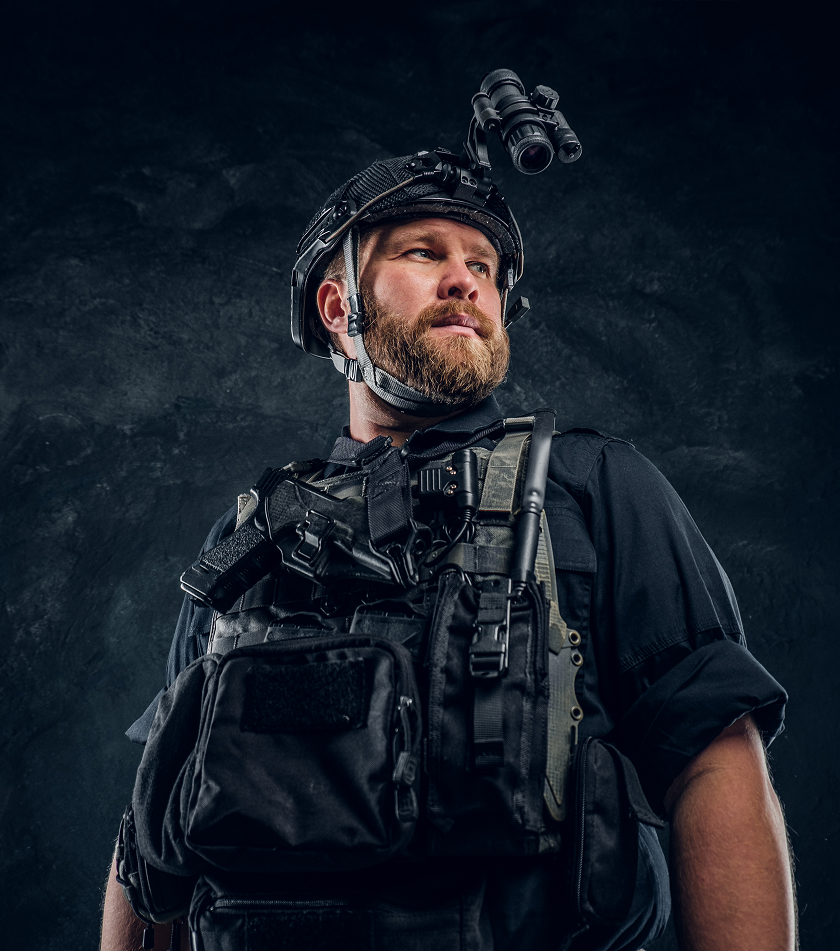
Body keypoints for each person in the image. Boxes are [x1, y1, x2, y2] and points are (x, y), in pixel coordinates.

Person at [101, 149, 796, 951]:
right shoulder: (248, 543)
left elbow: (713, 760)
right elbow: (154, 817)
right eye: (423, 252)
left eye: (484, 266)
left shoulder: (593, 486)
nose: (466, 280)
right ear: (338, 305)